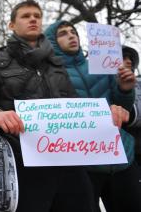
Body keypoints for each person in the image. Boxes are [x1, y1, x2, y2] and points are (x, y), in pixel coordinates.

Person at [0, 0, 94, 212]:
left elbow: (77, 106)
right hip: (23, 164)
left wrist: (104, 113)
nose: (33, 20)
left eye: (37, 16)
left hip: (69, 162)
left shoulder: (57, 63)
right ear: (12, 25)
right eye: (26, 16)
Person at [45, 21, 140, 212]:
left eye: (73, 32)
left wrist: (125, 89)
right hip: (85, 164)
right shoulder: (49, 76)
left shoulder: (102, 66)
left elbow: (122, 108)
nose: (71, 36)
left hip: (122, 157)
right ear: (51, 42)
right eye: (63, 34)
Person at [121, 45, 141, 192]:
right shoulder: (104, 86)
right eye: (123, 58)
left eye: (130, 59)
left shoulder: (139, 83)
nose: (128, 61)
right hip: (126, 155)